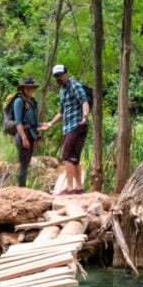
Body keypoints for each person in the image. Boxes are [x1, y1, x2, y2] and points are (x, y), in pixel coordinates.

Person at [40, 64, 89, 195]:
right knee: (74, 158)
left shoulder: (75, 86)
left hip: (77, 124)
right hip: (68, 127)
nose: (58, 78)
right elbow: (61, 112)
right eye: (56, 76)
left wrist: (85, 115)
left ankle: (69, 189)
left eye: (60, 75)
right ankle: (78, 188)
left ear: (66, 74)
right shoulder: (62, 91)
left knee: (67, 157)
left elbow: (84, 101)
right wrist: (50, 124)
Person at [12, 78, 41, 188]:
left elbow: (36, 122)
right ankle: (21, 189)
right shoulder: (19, 101)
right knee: (23, 163)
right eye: (27, 87)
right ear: (23, 88)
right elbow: (18, 122)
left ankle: (22, 187)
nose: (30, 89)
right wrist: (24, 138)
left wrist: (38, 138)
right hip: (23, 134)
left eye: (32, 87)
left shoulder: (33, 102)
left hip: (32, 134)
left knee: (26, 162)